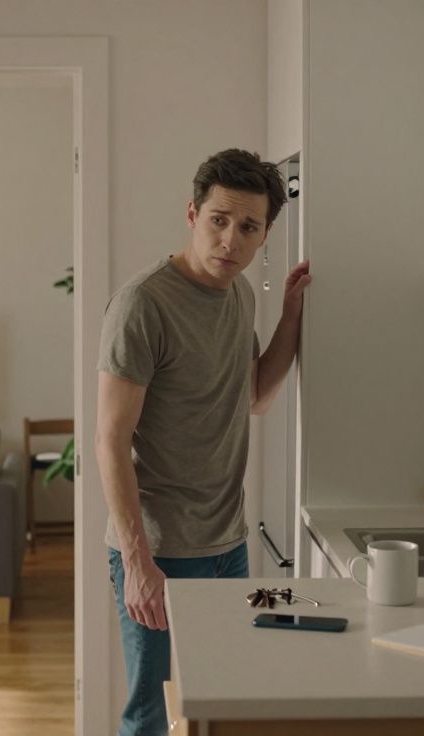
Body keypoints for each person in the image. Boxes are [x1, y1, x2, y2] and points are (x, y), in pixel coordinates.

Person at [96, 148, 311, 735]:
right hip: (159, 551)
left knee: (219, 705)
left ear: (265, 234)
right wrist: (138, 564)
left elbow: (255, 398)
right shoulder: (143, 304)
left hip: (226, 543)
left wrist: (291, 313)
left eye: (249, 228)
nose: (230, 241)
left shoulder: (239, 295)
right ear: (192, 214)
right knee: (151, 715)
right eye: (219, 220)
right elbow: (110, 441)